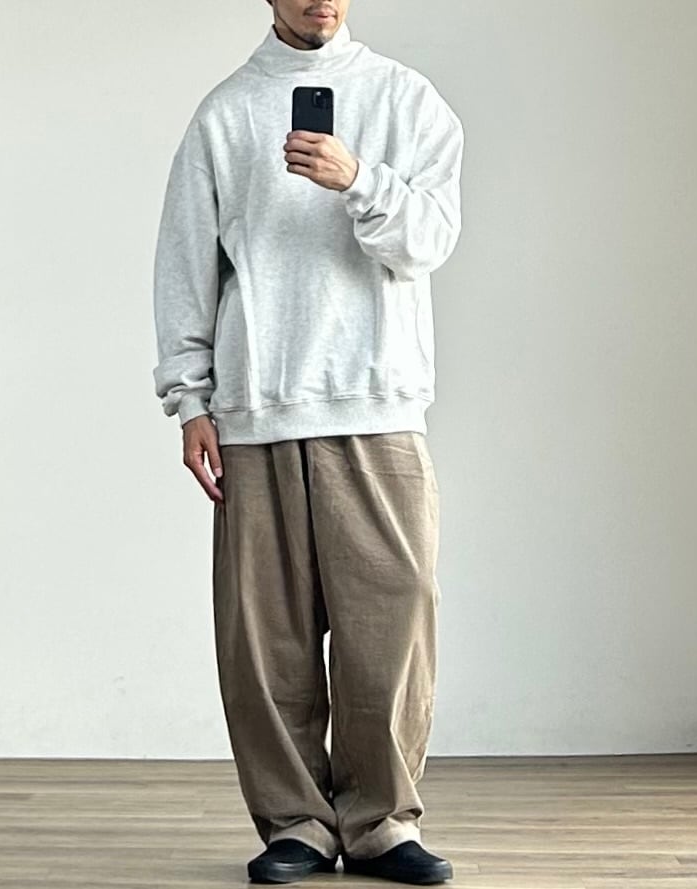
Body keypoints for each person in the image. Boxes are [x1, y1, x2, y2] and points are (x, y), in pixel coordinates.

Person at [152, 0, 463, 883]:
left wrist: (358, 178)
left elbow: (429, 241)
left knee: (393, 625)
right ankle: (294, 823)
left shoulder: (406, 99)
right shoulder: (225, 114)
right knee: (265, 642)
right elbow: (185, 263)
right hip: (256, 409)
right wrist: (190, 399)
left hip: (376, 404)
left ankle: (381, 823)